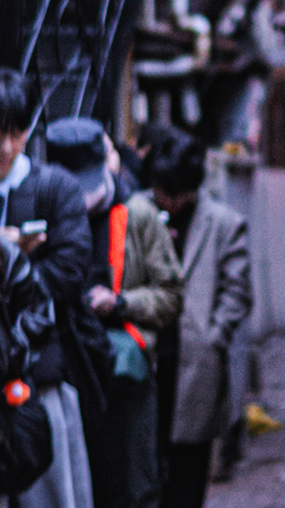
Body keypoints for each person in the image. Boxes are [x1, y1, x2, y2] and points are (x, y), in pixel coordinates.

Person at [0, 69, 106, 508]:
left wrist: (5, 266)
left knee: (48, 492)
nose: (5, 147)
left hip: (40, 373)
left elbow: (68, 270)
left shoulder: (54, 187)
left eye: (17, 132)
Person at [48, 118, 183, 508]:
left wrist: (121, 304)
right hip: (68, 375)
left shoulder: (137, 216)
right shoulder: (46, 208)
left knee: (131, 489)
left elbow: (172, 295)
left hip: (125, 380)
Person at [145, 134, 251, 508]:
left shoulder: (224, 223)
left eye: (176, 194)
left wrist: (214, 336)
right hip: (147, 358)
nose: (168, 202)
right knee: (142, 471)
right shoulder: (138, 212)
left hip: (196, 367)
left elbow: (238, 293)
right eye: (162, 191)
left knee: (188, 478)